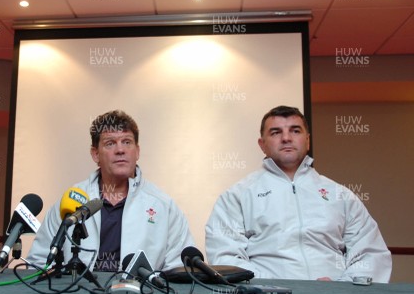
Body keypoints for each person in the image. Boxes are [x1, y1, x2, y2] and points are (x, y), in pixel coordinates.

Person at [205, 105, 392, 282]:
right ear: (262, 144)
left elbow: (370, 252)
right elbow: (225, 255)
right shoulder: (237, 196)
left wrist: (341, 286)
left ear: (308, 140)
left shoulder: (341, 195)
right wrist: (272, 286)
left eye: (295, 131)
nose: (286, 138)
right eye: (276, 132)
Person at [27, 110, 195, 272]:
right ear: (95, 154)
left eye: (127, 142)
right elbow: (38, 262)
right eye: (110, 143)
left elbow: (179, 270)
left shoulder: (163, 205)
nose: (120, 150)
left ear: (137, 151)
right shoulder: (72, 200)